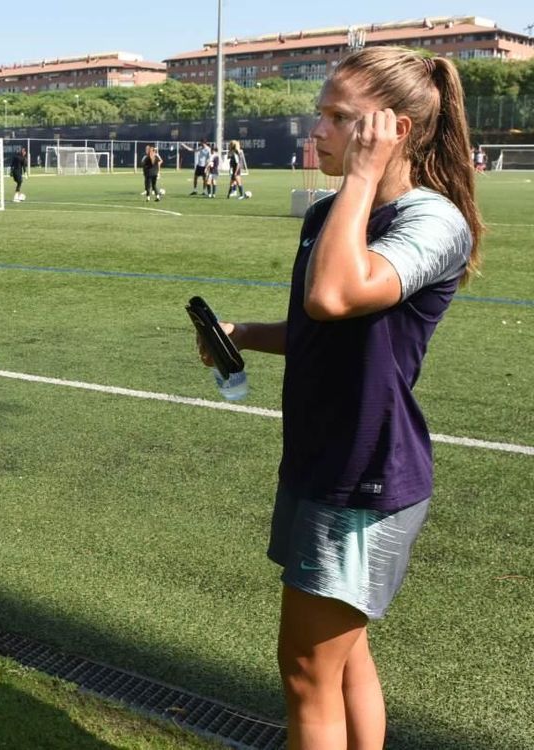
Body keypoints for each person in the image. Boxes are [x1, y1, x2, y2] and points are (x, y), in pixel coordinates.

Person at [198, 46, 482, 749]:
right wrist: (241, 333)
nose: (316, 131)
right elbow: (316, 329)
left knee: (304, 672)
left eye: (338, 118)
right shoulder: (328, 215)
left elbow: (334, 295)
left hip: (367, 474)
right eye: (320, 114)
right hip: (320, 459)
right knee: (344, 659)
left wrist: (359, 177)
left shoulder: (432, 222)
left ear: (396, 130)